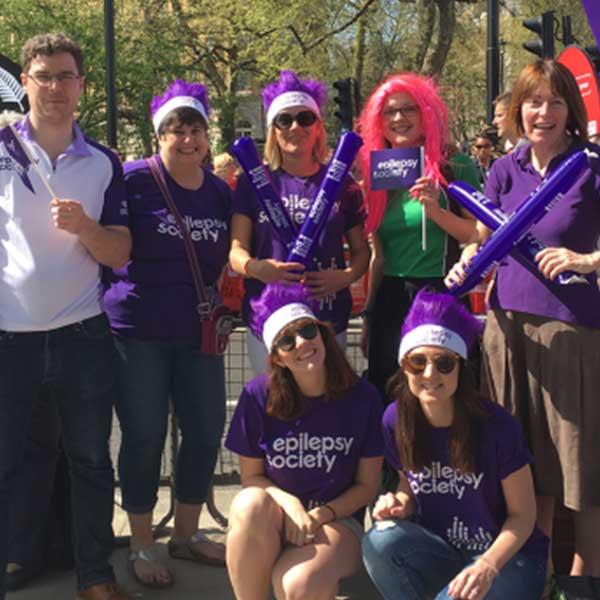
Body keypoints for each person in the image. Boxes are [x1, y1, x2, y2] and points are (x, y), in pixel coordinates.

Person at [446, 59, 600, 580]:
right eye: (535, 101)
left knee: (578, 467)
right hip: (505, 331)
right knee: (526, 464)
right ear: (519, 110)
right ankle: (534, 577)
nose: (545, 112)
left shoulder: (589, 168)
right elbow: (484, 239)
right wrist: (469, 259)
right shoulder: (503, 170)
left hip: (571, 331)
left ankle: (583, 578)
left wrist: (587, 261)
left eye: (556, 102)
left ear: (570, 111)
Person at [0, 33, 132, 600]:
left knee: (89, 462)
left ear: (81, 85)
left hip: (82, 337)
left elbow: (120, 253)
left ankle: (95, 575)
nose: (55, 88)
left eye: (65, 77)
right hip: (10, 341)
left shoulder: (103, 163)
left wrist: (86, 229)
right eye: (44, 77)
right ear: (25, 83)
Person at [103, 80, 232, 588]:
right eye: (176, 129)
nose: (187, 139)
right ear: (159, 135)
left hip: (197, 332)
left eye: (196, 129)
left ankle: (186, 532)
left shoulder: (221, 192)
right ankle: (140, 541)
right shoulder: (132, 180)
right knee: (144, 433)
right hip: (138, 331)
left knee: (204, 431)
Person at [362, 289, 549, 599]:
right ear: (404, 366)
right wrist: (397, 503)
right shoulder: (395, 419)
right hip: (444, 552)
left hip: (509, 561)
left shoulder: (496, 426)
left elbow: (523, 515)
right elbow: (409, 485)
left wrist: (488, 565)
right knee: (379, 541)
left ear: (461, 368)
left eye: (444, 363)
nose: (430, 373)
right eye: (417, 362)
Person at [224, 282, 383, 600]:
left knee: (298, 584)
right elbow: (251, 478)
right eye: (287, 340)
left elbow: (367, 487)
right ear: (277, 357)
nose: (301, 343)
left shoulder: (363, 396)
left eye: (308, 331)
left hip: (337, 521)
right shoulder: (258, 395)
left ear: (322, 334)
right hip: (278, 517)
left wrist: (319, 515)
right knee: (248, 503)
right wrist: (290, 504)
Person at [229, 70, 370, 375]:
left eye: (305, 119)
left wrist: (345, 277)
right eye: (285, 120)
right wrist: (257, 268)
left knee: (325, 408)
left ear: (318, 127)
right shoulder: (252, 182)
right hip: (268, 315)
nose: (295, 127)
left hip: (327, 316)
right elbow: (236, 249)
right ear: (273, 130)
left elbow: (362, 251)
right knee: (274, 408)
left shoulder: (343, 184)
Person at [356, 72, 478, 398]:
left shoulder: (457, 166)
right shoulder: (376, 173)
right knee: (391, 394)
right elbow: (378, 256)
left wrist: (435, 211)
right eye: (390, 111)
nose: (399, 118)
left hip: (440, 290)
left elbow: (478, 233)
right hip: (391, 297)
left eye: (408, 109)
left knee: (444, 397)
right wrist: (369, 314)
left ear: (425, 113)